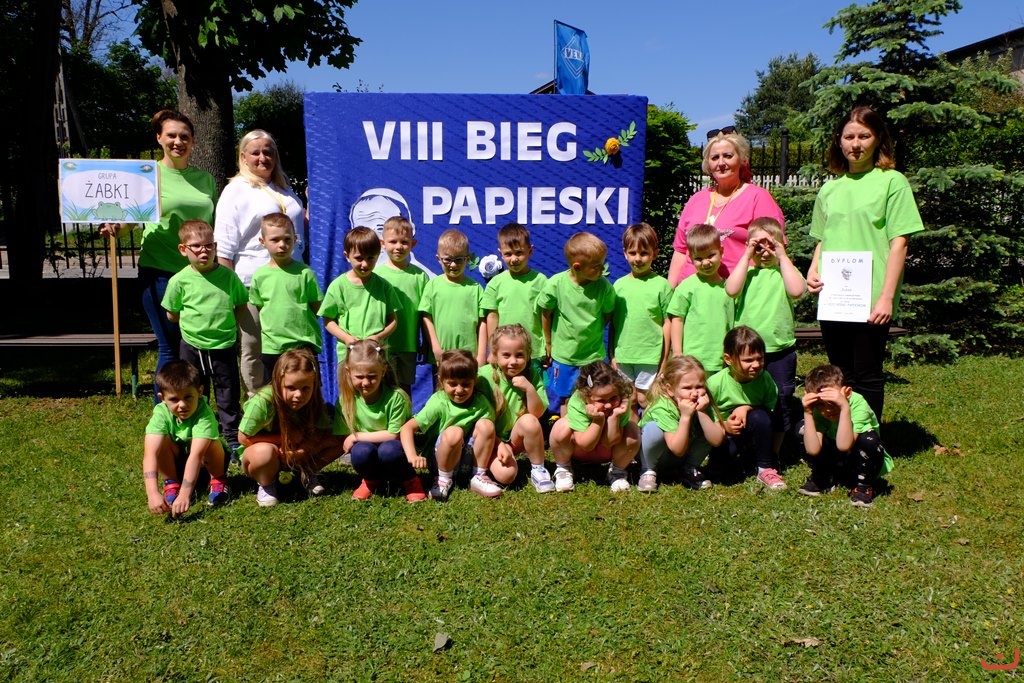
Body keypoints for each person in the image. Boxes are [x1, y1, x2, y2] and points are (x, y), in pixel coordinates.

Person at [805, 106, 925, 421]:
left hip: (871, 297)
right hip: (834, 296)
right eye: (849, 137)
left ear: (878, 139)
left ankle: (869, 438)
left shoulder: (892, 182)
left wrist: (886, 296)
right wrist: (813, 270)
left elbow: (899, 242)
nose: (856, 144)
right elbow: (823, 239)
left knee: (867, 373)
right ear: (839, 140)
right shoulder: (829, 189)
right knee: (840, 373)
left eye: (864, 136)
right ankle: (844, 435)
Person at [99, 110, 217, 397]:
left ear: (193, 141)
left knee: (199, 343)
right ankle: (163, 414)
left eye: (184, 136)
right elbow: (130, 218)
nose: (178, 141)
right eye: (171, 135)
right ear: (159, 138)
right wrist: (116, 227)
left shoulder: (205, 179)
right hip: (160, 271)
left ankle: (197, 410)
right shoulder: (147, 177)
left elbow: (213, 224)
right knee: (170, 346)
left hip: (200, 274)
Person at [215, 129, 306, 396]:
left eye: (268, 152)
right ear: (243, 157)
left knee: (288, 344)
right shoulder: (236, 191)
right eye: (255, 153)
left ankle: (288, 400)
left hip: (291, 280)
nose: (262, 157)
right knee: (254, 345)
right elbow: (224, 247)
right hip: (252, 282)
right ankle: (257, 399)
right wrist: (232, 293)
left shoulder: (284, 188)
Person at [161, 220, 248, 452]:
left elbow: (241, 303)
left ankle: (232, 437)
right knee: (193, 390)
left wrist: (230, 325)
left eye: (209, 246)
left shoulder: (228, 277)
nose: (204, 251)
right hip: (192, 346)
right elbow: (172, 314)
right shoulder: (179, 281)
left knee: (228, 392)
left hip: (224, 345)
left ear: (215, 247)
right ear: (183, 249)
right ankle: (197, 431)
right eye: (197, 246)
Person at [725, 216, 805, 452]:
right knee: (745, 397)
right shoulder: (747, 273)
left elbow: (797, 290)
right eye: (759, 247)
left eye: (771, 246)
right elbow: (731, 289)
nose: (765, 252)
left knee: (781, 400)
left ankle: (774, 453)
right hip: (746, 352)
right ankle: (748, 447)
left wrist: (782, 256)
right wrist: (747, 255)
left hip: (780, 350)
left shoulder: (784, 272)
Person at [667, 126, 786, 286]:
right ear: (708, 164)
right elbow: (681, 251)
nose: (721, 163)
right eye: (715, 157)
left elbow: (772, 250)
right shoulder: (696, 200)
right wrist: (671, 292)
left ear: (742, 160)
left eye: (728, 156)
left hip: (735, 292)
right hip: (689, 293)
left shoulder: (758, 198)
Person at [238, 348, 341, 507]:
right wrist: (284, 440)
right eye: (291, 388)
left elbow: (320, 431)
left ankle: (306, 472)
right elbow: (243, 437)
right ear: (278, 382)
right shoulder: (263, 401)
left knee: (342, 438)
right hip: (269, 452)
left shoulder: (314, 400)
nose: (298, 395)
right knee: (263, 453)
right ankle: (267, 484)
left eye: (305, 388)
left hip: (298, 450)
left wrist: (303, 450)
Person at [399, 350, 499, 501]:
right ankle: (442, 479)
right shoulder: (439, 402)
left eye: (466, 384)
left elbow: (489, 434)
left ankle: (478, 476)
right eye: (452, 384)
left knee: (487, 425)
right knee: (454, 432)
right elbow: (408, 428)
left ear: (475, 381)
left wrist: (501, 445)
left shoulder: (481, 402)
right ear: (441, 381)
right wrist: (412, 455)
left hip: (466, 460)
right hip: (439, 461)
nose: (459, 390)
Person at [333, 340, 426, 502]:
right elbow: (343, 438)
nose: (365, 382)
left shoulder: (396, 397)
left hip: (394, 449)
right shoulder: (345, 401)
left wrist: (356, 436)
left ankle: (410, 480)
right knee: (360, 452)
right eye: (359, 377)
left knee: (389, 450)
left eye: (372, 376)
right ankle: (370, 481)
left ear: (383, 371)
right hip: (367, 451)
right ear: (348, 371)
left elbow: (393, 434)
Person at [536, 232, 617, 416]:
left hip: (593, 357)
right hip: (564, 356)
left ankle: (590, 430)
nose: (602, 269)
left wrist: (593, 331)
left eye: (603, 263)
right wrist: (548, 342)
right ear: (577, 267)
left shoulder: (604, 287)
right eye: (596, 266)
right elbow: (546, 312)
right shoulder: (556, 284)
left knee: (593, 396)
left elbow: (607, 313)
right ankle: (565, 430)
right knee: (565, 398)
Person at [142, 360, 229, 517]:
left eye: (188, 397)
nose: (182, 405)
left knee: (211, 443)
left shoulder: (204, 414)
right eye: (174, 399)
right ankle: (172, 483)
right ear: (162, 398)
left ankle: (218, 480)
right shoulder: (161, 413)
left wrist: (184, 495)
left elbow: (196, 456)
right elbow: (150, 455)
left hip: (204, 464)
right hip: (177, 462)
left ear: (200, 391)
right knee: (160, 443)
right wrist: (152, 493)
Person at [799, 364, 890, 508]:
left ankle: (863, 486)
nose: (828, 410)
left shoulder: (859, 405)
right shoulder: (816, 409)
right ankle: (823, 476)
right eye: (820, 405)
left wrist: (844, 407)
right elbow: (813, 449)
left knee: (869, 441)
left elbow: (844, 445)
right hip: (836, 454)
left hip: (859, 458)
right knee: (803, 430)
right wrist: (808, 412)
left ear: (847, 393)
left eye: (832, 403)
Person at [706, 326, 785, 490]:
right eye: (748, 360)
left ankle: (765, 468)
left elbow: (771, 411)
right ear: (728, 359)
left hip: (754, 427)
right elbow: (706, 416)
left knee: (760, 417)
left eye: (760, 358)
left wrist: (746, 407)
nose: (756, 365)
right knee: (720, 470)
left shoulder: (764, 379)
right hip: (723, 434)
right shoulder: (715, 383)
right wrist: (724, 426)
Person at [248, 213, 323, 384]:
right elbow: (261, 307)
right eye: (275, 240)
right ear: (262, 241)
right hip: (273, 346)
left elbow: (316, 307)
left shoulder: (305, 273)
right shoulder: (259, 276)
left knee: (307, 390)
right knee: (274, 392)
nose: (282, 245)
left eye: (287, 239)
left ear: (295, 239)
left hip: (303, 345)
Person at [477, 324, 552, 493]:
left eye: (519, 355)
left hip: (513, 440)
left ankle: (539, 470)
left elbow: (537, 413)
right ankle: (478, 466)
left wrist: (529, 389)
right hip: (488, 440)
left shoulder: (532, 374)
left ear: (528, 355)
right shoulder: (483, 376)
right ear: (495, 355)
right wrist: (498, 445)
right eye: (506, 355)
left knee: (530, 421)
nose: (513, 362)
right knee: (507, 475)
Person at [548, 360, 640, 493]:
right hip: (581, 449)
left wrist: (614, 417)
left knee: (632, 430)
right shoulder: (577, 402)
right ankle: (564, 469)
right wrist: (598, 420)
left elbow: (610, 442)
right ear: (585, 396)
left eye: (613, 398)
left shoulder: (622, 402)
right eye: (601, 400)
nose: (608, 405)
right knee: (561, 426)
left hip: (607, 449)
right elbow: (586, 445)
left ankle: (617, 472)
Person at [637, 356, 725, 493]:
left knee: (707, 425)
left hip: (679, 456)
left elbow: (717, 440)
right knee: (654, 428)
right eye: (687, 388)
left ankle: (689, 469)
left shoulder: (703, 401)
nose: (695, 393)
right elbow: (677, 449)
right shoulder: (663, 406)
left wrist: (702, 413)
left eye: (699, 386)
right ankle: (648, 470)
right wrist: (685, 417)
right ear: (670, 390)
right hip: (658, 456)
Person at [610, 222, 672, 417]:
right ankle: (632, 436)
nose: (638, 258)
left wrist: (664, 360)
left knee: (646, 400)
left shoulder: (662, 285)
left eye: (644, 253)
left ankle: (648, 435)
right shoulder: (618, 286)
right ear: (625, 253)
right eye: (633, 253)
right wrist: (612, 355)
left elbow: (668, 323)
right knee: (629, 400)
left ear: (655, 253)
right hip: (624, 356)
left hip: (650, 356)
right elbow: (614, 324)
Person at [318, 226, 400, 363]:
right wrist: (346, 338)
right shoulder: (338, 286)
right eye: (359, 258)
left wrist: (379, 337)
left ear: (378, 255)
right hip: (348, 356)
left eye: (370, 258)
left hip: (376, 355)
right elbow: (328, 321)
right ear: (347, 256)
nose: (365, 264)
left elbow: (393, 321)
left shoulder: (384, 286)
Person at [374, 216, 430, 395]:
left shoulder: (420, 276)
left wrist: (425, 342)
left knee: (404, 390)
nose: (398, 246)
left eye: (404, 242)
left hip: (408, 345)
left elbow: (425, 314)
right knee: (381, 388)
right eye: (393, 242)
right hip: (382, 345)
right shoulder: (376, 275)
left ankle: (406, 415)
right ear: (383, 243)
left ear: (413, 244)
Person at [668, 224, 735, 373]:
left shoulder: (729, 288)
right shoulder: (686, 287)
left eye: (711, 255)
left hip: (723, 360)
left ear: (721, 252)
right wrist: (677, 351)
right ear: (691, 258)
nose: (705, 263)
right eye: (698, 258)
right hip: (693, 361)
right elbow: (677, 319)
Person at [418, 229, 488, 366]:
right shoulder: (432, 286)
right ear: (438, 259)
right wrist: (435, 347)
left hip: (469, 358)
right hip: (442, 358)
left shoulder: (476, 288)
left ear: (468, 259)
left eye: (459, 260)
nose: (453, 265)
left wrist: (481, 355)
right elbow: (426, 317)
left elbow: (482, 323)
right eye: (448, 260)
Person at [482, 223, 548, 364]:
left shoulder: (541, 281)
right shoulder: (495, 283)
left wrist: (548, 345)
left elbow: (547, 315)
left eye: (519, 253)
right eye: (508, 254)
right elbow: (492, 317)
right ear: (500, 253)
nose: (514, 259)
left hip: (534, 352)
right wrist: (493, 350)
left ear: (530, 251)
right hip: (504, 354)